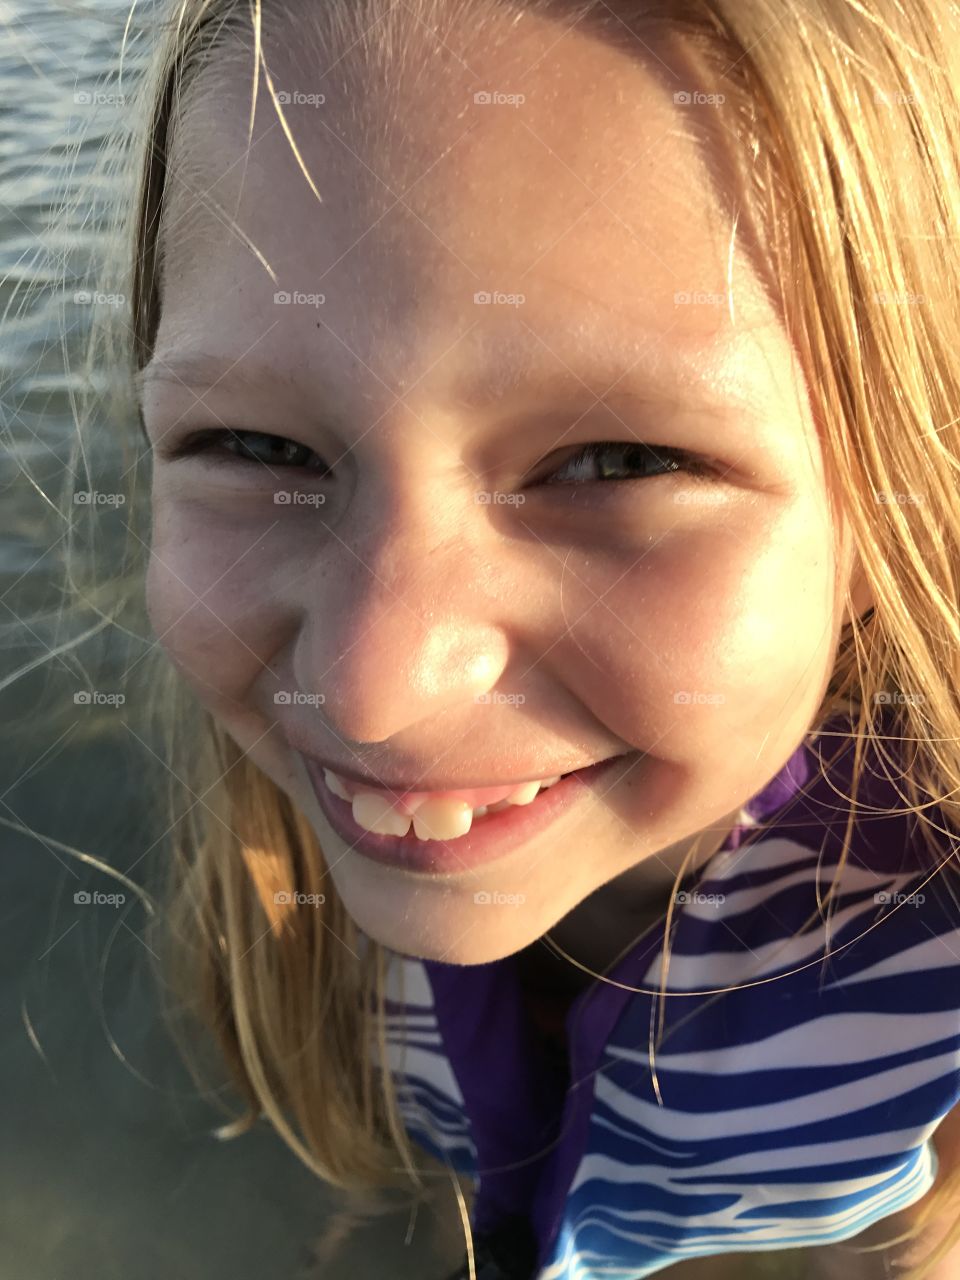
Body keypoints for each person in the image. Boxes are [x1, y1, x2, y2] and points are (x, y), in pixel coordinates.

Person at [32, 0, 960, 1275]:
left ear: (905, 502)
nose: (372, 688)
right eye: (257, 447)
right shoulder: (290, 883)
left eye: (619, 461)